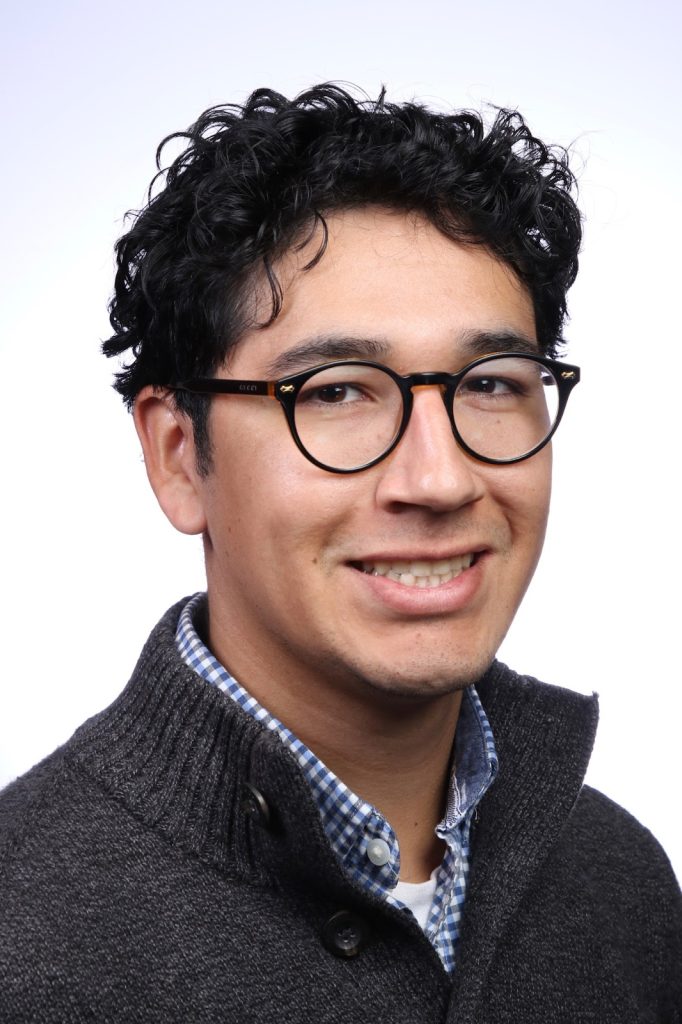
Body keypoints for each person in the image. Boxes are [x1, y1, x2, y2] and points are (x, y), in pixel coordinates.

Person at [0, 84, 679, 1024]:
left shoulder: (621, 883)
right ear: (178, 456)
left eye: (489, 383)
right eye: (335, 394)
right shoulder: (24, 941)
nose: (439, 480)